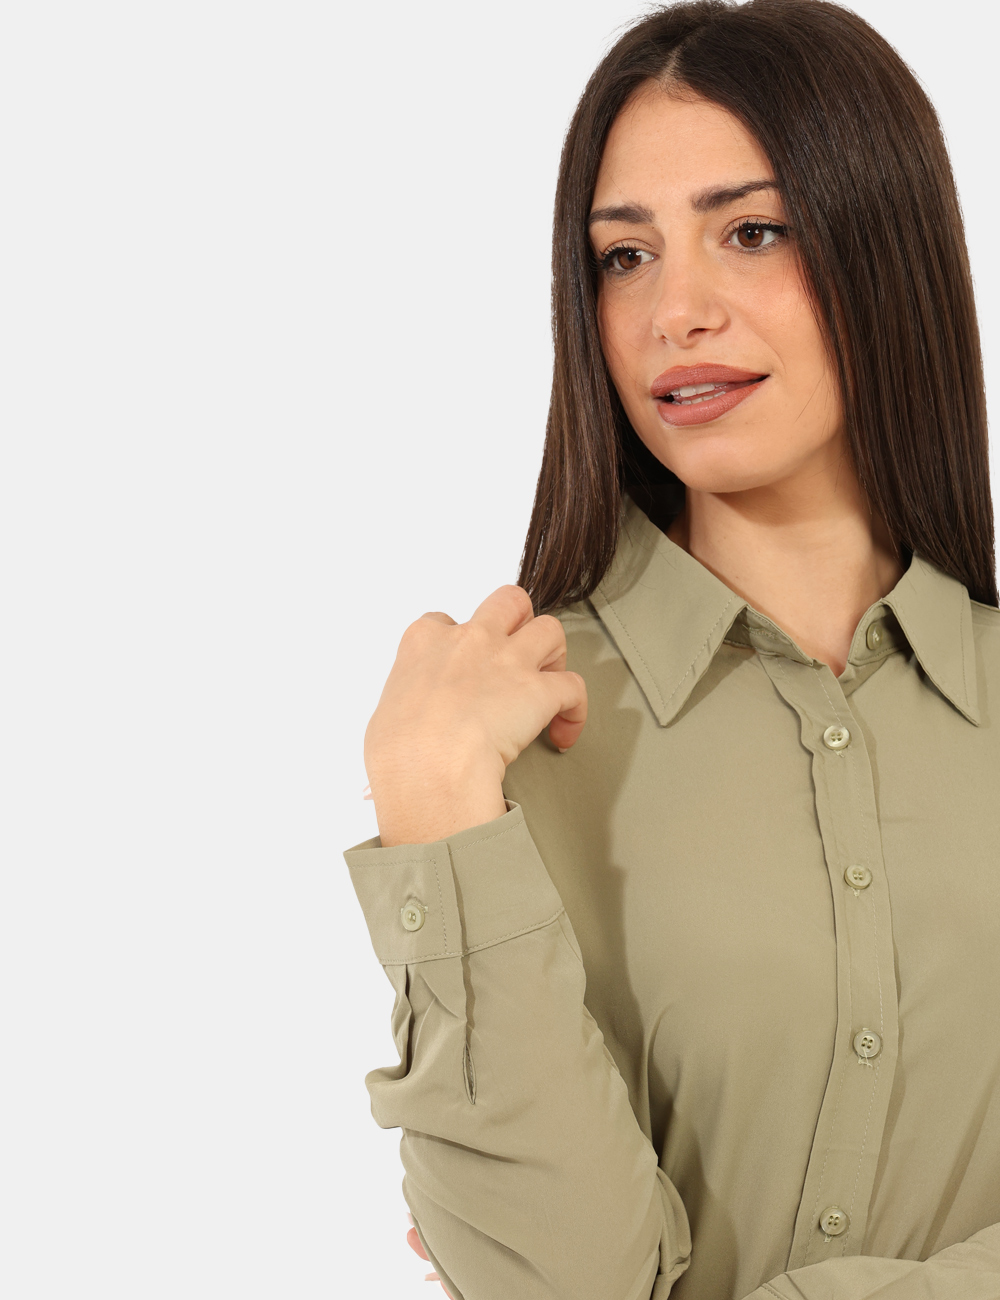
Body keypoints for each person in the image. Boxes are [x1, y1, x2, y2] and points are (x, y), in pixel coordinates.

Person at [345, 1, 1000, 1297]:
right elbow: (568, 1282)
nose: (673, 312)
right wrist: (429, 810)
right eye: (624, 256)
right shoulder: (508, 745)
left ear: (886, 247)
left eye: (751, 232)